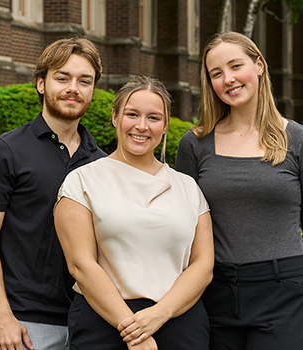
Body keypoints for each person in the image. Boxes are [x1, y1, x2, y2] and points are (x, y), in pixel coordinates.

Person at [176, 32, 303, 350]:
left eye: (236, 66)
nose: (228, 79)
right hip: (213, 291)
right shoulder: (194, 145)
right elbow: (183, 227)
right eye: (216, 73)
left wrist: (294, 286)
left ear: (259, 65)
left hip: (282, 295)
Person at [53, 76, 214, 350]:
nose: (142, 126)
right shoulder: (81, 182)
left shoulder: (188, 188)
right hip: (105, 323)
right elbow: (81, 265)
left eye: (153, 117)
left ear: (165, 126)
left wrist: (157, 315)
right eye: (132, 114)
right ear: (115, 117)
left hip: (179, 323)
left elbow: (203, 265)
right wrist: (133, 330)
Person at [0, 37, 107, 350]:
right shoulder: (5, 152)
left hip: (90, 323)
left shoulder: (102, 164)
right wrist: (2, 316)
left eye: (84, 81)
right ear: (41, 84)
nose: (74, 88)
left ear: (92, 90)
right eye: (62, 78)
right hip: (23, 326)